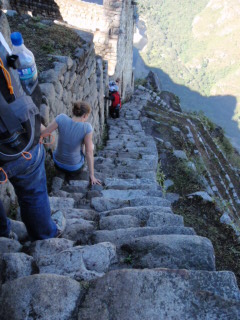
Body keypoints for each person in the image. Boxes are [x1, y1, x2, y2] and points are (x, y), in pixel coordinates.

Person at [0, 33, 59, 241]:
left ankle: (4, 233)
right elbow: (20, 83)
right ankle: (44, 238)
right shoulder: (6, 47)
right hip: (23, 140)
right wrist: (36, 121)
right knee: (33, 193)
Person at [41, 101, 101, 185]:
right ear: (85, 116)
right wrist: (92, 175)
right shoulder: (87, 128)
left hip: (57, 163)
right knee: (91, 146)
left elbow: (44, 134)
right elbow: (89, 152)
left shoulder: (61, 118)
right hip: (74, 168)